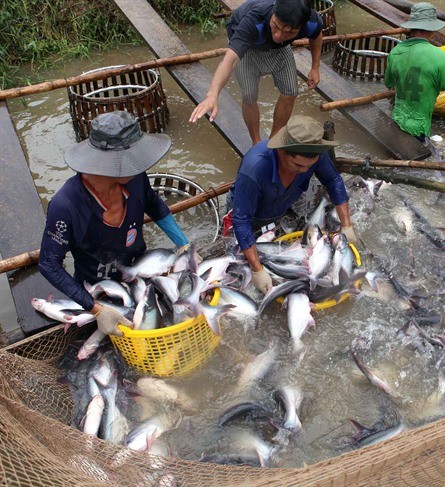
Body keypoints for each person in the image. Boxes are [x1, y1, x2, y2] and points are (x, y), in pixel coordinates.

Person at [38, 111, 191, 337]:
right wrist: (95, 309)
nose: (138, 164)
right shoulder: (66, 205)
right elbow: (49, 264)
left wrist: (185, 245)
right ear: (109, 162)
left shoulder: (136, 178)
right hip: (96, 288)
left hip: (141, 272)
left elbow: (154, 204)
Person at [223, 115, 357, 294]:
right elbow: (241, 220)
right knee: (234, 254)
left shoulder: (316, 155)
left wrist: (346, 225)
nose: (305, 170)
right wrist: (257, 270)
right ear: (281, 151)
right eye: (298, 165)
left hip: (280, 206)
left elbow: (333, 180)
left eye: (310, 166)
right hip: (246, 213)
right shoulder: (255, 168)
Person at [189, 0, 324, 145]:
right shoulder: (253, 21)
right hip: (248, 47)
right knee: (249, 95)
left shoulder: (311, 21)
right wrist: (213, 94)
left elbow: (316, 35)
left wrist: (315, 68)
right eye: (275, 25)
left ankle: (274, 141)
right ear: (273, 13)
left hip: (279, 49)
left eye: (289, 32)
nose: (278, 35)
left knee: (290, 91)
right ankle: (256, 142)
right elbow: (230, 60)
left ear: (301, 27)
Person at [384, 2, 445, 140]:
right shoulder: (439, 57)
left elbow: (388, 82)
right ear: (432, 30)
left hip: (397, 119)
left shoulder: (395, 52)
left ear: (412, 27)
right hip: (418, 128)